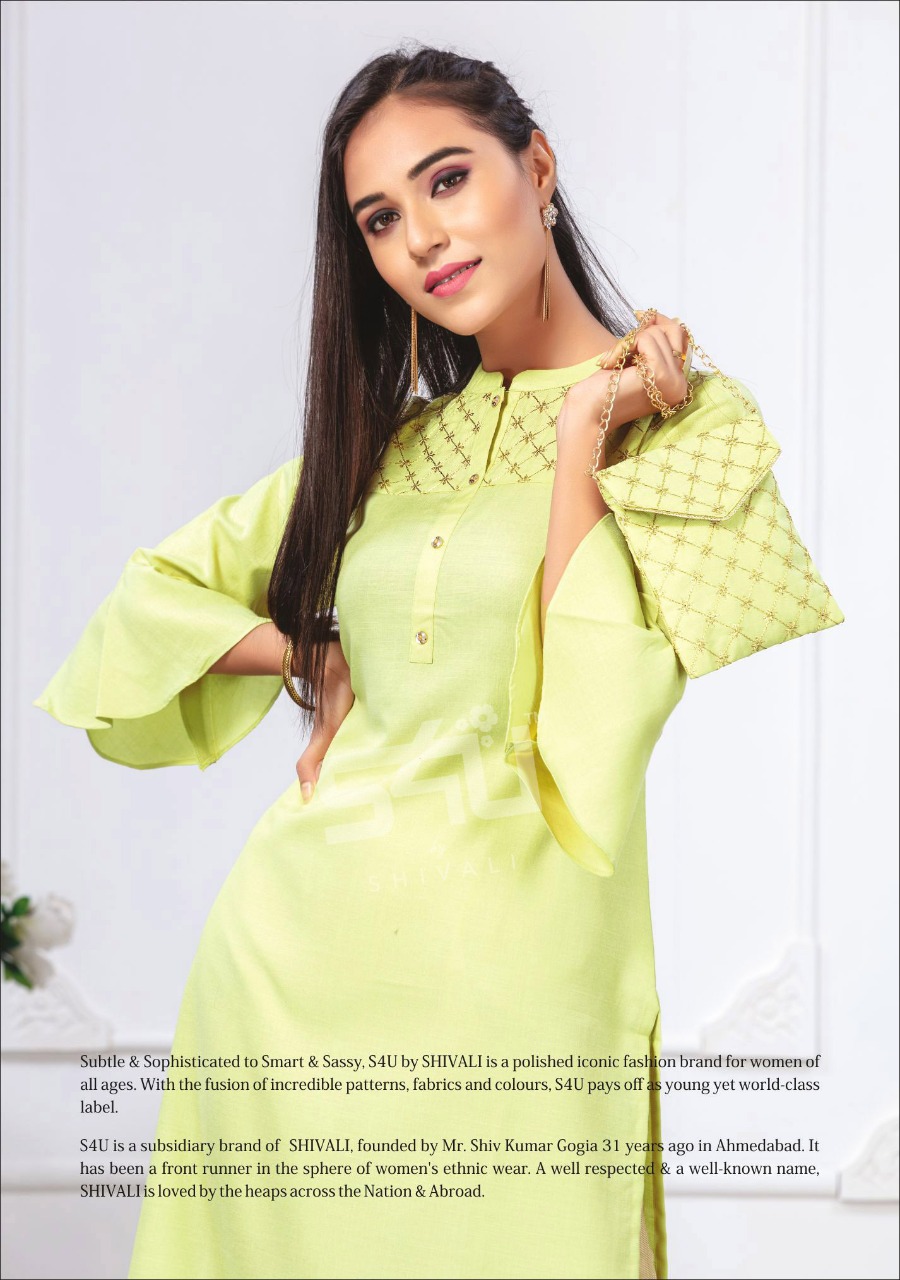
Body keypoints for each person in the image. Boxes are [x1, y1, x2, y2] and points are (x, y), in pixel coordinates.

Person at [32, 44, 835, 1280]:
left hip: (525, 988)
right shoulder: (383, 455)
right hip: (289, 982)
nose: (420, 238)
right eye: (379, 218)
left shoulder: (685, 426)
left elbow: (586, 727)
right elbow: (143, 605)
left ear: (539, 165)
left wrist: (585, 436)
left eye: (447, 179)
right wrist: (309, 650)